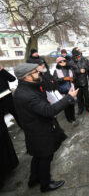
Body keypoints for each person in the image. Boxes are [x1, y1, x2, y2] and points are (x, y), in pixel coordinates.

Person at [13, 63, 78, 193]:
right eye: (35, 72)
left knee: (38, 156)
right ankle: (45, 184)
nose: (39, 73)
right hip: (40, 131)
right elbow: (48, 111)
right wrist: (69, 98)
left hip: (34, 128)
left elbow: (40, 107)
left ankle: (34, 179)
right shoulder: (27, 95)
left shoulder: (26, 89)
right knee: (46, 157)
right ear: (27, 77)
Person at [0, 66, 19, 189]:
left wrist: (2, 70)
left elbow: (12, 79)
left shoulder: (2, 72)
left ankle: (9, 165)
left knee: (4, 136)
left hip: (8, 100)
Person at [53, 57, 76, 123]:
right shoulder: (56, 71)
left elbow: (74, 78)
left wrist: (72, 79)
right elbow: (55, 80)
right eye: (61, 62)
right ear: (58, 63)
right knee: (66, 104)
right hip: (63, 89)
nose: (63, 63)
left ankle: (73, 116)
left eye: (64, 61)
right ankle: (68, 118)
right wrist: (63, 79)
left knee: (72, 103)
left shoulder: (70, 69)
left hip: (71, 88)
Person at [69, 49, 89, 114]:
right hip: (77, 82)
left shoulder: (85, 59)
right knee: (79, 97)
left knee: (86, 96)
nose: (78, 57)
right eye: (77, 56)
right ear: (74, 56)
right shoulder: (71, 62)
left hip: (85, 81)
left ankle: (88, 107)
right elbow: (71, 72)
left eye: (79, 55)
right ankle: (80, 108)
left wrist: (85, 69)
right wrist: (79, 71)